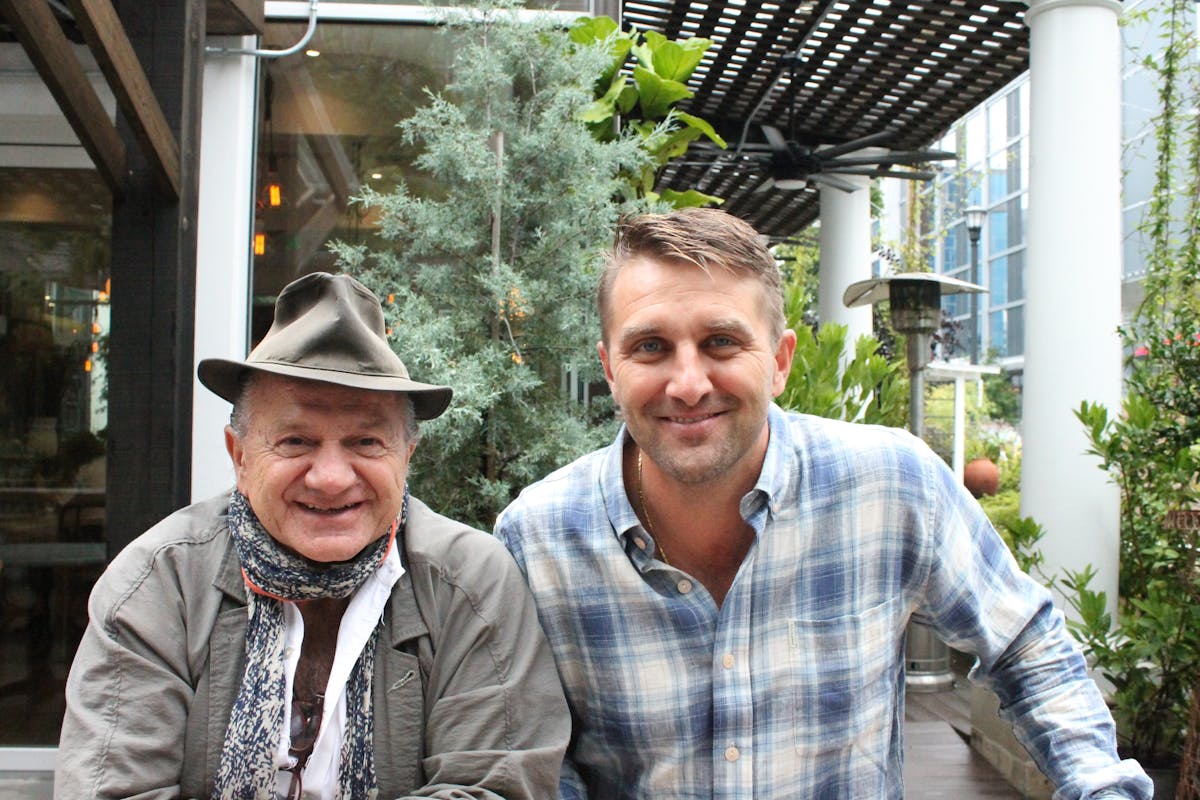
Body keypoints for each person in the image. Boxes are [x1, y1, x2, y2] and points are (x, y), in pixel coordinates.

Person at [494, 208, 1153, 799]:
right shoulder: (538, 541)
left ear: (780, 362)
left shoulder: (892, 484)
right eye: (650, 347)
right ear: (611, 369)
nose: (688, 383)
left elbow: (1024, 645)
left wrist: (1099, 785)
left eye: (721, 342)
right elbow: (540, 765)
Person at [56, 272, 569, 799]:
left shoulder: (470, 584)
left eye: (366, 442)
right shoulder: (161, 582)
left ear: (406, 456)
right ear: (239, 456)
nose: (330, 477)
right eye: (296, 440)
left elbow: (495, 787)